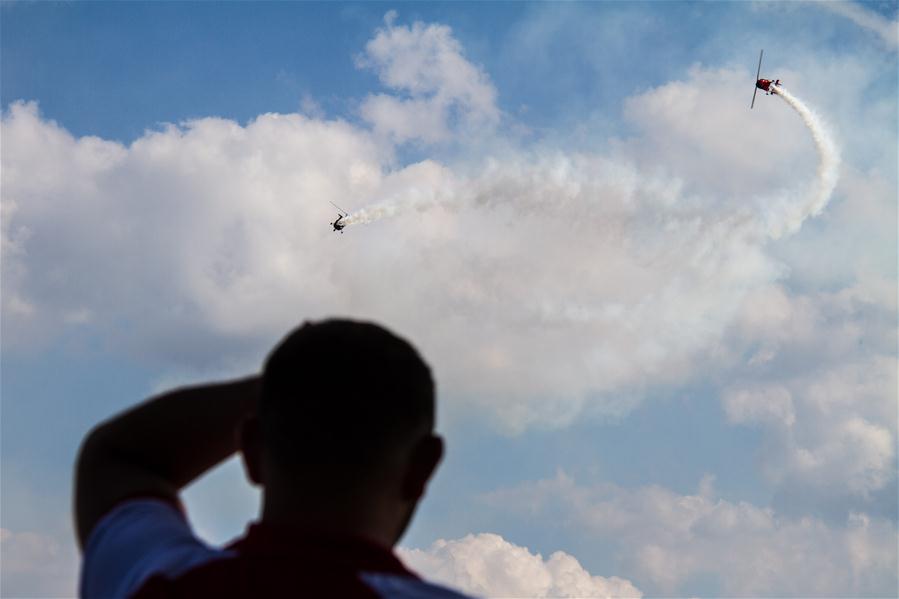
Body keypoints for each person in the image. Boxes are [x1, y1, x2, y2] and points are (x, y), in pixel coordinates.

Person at [75, 318, 469, 598]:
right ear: (424, 468)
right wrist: (351, 385)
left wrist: (299, 383)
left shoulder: (152, 580)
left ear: (250, 447)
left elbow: (118, 456)